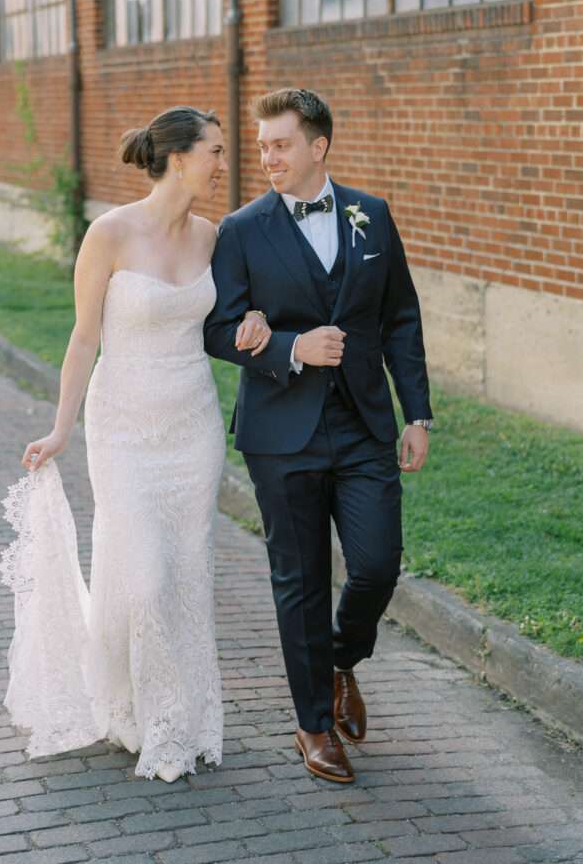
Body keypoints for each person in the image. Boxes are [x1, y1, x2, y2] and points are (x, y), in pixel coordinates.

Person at [0, 106, 271, 782]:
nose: (222, 161)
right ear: (178, 157)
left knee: (183, 576)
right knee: (145, 579)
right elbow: (83, 337)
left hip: (193, 428)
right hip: (122, 428)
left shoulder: (212, 237)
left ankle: (168, 718)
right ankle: (142, 710)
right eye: (214, 150)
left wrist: (258, 318)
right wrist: (62, 426)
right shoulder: (109, 234)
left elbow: (236, 312)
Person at [204, 88, 433, 783]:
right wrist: (293, 347)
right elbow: (218, 328)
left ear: (317, 147)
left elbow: (400, 318)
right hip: (282, 433)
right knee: (298, 581)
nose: (266, 156)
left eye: (279, 144)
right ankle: (311, 723)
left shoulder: (372, 215)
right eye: (262, 144)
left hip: (364, 425)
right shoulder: (241, 230)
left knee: (375, 563)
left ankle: (341, 661)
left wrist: (416, 413)